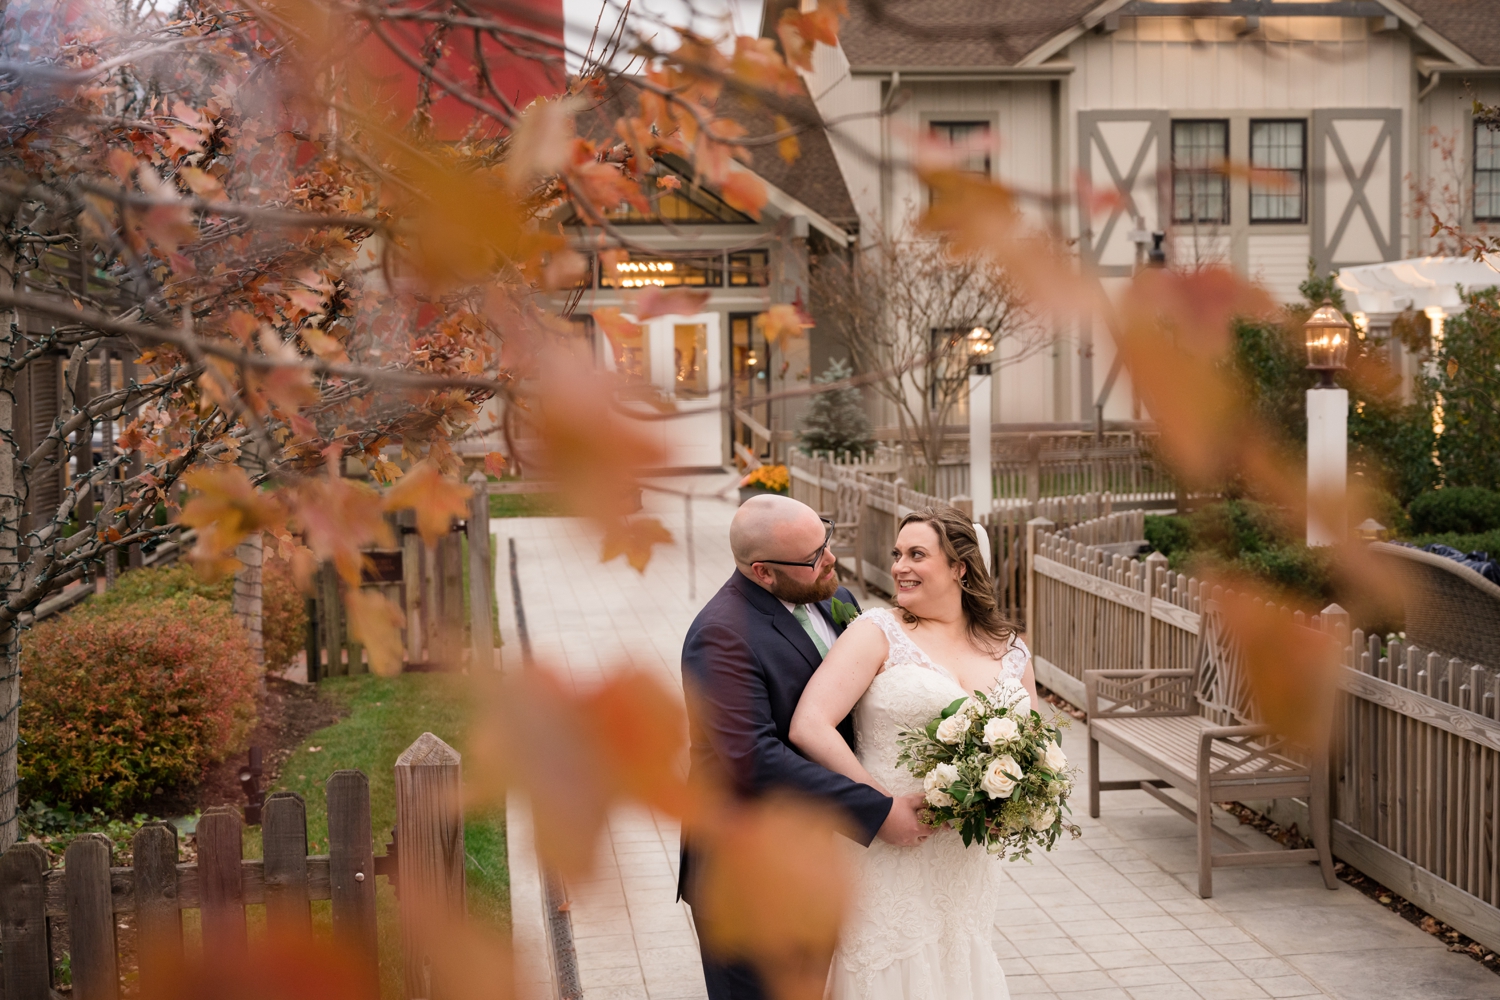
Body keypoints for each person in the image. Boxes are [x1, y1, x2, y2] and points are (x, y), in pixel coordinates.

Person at [679, 493, 927, 1000]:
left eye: (826, 539)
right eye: (814, 557)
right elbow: (755, 761)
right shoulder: (721, 636)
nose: (830, 559)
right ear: (763, 572)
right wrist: (878, 811)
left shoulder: (838, 599)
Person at [790, 504, 1040, 1000]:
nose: (900, 566)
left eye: (917, 554)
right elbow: (809, 725)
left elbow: (1030, 748)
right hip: (885, 844)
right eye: (898, 553)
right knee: (890, 964)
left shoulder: (1010, 648)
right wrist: (879, 806)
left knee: (958, 958)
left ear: (959, 567)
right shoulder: (877, 631)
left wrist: (1009, 808)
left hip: (964, 855)